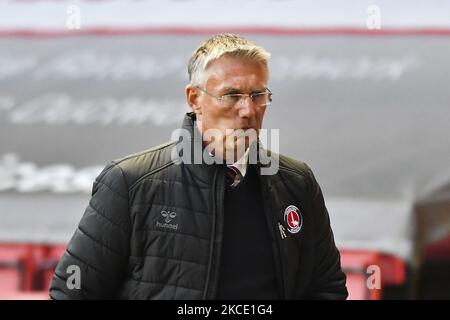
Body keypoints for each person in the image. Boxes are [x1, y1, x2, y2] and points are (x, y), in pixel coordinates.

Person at [49, 34, 347, 300]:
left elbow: (327, 286)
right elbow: (72, 292)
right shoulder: (130, 183)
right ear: (194, 99)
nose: (248, 110)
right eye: (232, 96)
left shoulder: (297, 183)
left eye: (258, 95)